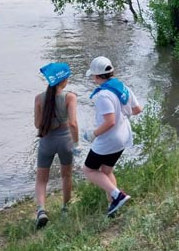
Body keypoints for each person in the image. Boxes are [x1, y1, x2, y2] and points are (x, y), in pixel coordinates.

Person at [82, 56, 142, 216]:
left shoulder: (103, 95)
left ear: (97, 76)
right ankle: (113, 207)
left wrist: (93, 134)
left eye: (93, 76)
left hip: (109, 139)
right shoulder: (122, 87)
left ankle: (117, 195)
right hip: (124, 137)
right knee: (106, 171)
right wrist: (123, 112)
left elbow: (109, 121)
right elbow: (137, 110)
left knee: (88, 170)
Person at [34, 62, 79, 229]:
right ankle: (66, 208)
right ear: (64, 79)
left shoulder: (39, 98)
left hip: (47, 141)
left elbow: (37, 123)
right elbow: (73, 123)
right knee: (66, 175)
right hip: (65, 140)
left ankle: (41, 211)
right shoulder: (70, 97)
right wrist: (76, 144)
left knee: (41, 179)